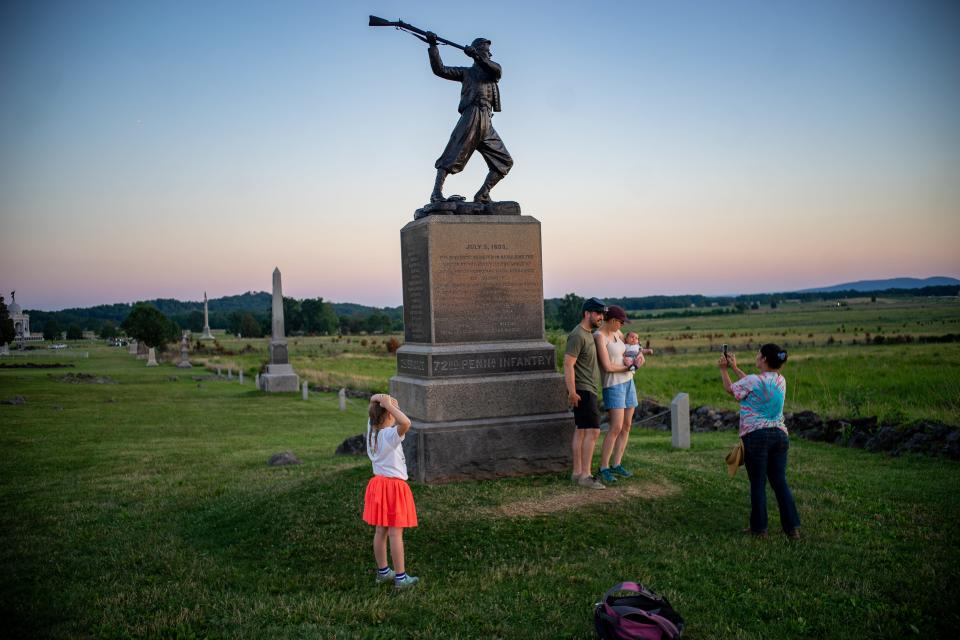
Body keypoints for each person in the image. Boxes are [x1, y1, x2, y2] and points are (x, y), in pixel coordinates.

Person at [718, 344, 801, 540]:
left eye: (758, 354)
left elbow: (732, 389)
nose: (756, 357)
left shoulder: (755, 381)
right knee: (779, 482)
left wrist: (724, 370)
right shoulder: (781, 381)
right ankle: (792, 528)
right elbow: (752, 384)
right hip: (780, 435)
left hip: (756, 436)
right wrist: (735, 368)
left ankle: (759, 528)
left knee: (757, 483)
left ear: (763, 359)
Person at [425, 32, 513, 204]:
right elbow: (440, 70)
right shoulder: (467, 73)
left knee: (505, 161)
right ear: (480, 52)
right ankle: (436, 193)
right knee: (453, 153)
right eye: (487, 52)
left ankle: (483, 194)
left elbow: (497, 70)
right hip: (472, 114)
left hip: (487, 120)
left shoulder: (492, 72)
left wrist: (479, 57)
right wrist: (433, 46)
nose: (490, 55)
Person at [363, 393, 420, 588]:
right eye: (392, 412)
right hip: (393, 487)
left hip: (378, 485)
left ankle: (383, 572)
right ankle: (401, 578)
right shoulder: (389, 434)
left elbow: (373, 407)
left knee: (381, 531)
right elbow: (406, 423)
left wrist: (382, 401)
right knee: (396, 533)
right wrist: (389, 404)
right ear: (388, 415)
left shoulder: (371, 431)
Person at [594, 306, 642, 484]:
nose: (622, 325)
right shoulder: (599, 336)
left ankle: (617, 464)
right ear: (613, 320)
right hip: (613, 386)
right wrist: (629, 367)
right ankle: (603, 467)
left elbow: (631, 346)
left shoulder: (617, 332)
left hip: (629, 382)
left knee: (627, 426)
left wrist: (639, 356)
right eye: (621, 322)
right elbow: (607, 367)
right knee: (615, 427)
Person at [564, 297, 607, 489]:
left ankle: (577, 473)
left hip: (587, 389)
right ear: (587, 313)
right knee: (593, 431)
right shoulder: (578, 335)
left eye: (602, 314)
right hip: (583, 390)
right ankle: (586, 476)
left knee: (581, 431)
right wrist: (572, 391)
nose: (601, 317)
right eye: (598, 313)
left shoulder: (589, 333)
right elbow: (568, 364)